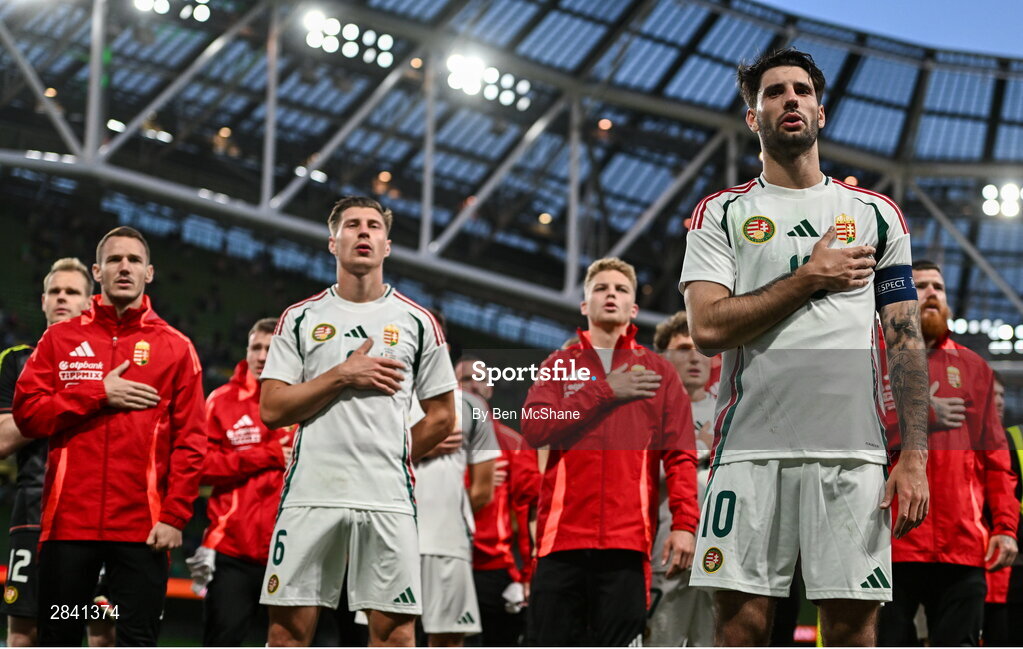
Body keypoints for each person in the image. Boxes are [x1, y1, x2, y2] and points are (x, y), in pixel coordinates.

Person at [680, 48, 930, 646]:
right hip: (747, 450)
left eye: (801, 91)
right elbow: (708, 328)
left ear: (822, 111)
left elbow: (905, 339)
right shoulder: (723, 213)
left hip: (854, 454)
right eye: (773, 92)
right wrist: (810, 277)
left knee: (849, 628)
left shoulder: (876, 214)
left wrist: (915, 455)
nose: (789, 99)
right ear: (752, 118)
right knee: (740, 626)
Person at [257, 196, 457, 647]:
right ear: (333, 243)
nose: (363, 232)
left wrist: (395, 455)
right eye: (352, 225)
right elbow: (271, 409)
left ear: (387, 246)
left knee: (395, 635)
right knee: (286, 632)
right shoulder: (300, 318)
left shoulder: (418, 321)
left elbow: (444, 415)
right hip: (311, 491)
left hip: (387, 496)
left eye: (373, 226)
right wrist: (341, 374)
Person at [13, 227, 207, 646]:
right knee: (60, 637)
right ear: (97, 272)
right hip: (68, 529)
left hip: (142, 532)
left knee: (136, 638)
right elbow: (28, 415)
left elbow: (192, 441)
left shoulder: (177, 348)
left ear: (149, 273)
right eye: (115, 260)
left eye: (134, 260)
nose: (125, 267)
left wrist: (175, 516)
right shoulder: (59, 339)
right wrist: (97, 393)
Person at [521, 257, 699, 647]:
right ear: (584, 305)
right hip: (560, 541)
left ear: (633, 308)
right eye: (600, 288)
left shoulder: (659, 371)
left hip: (628, 542)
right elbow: (535, 428)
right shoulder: (558, 366)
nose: (610, 295)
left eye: (620, 289)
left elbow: (680, 454)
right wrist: (605, 391)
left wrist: (685, 524)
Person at [877, 260, 1017, 647]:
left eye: (937, 286)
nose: (931, 293)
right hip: (889, 542)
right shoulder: (874, 362)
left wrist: (1005, 528)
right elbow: (849, 433)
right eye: (919, 286)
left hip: (961, 546)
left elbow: (997, 460)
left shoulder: (974, 368)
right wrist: (917, 415)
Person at [0, 258, 92, 646]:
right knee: (23, 634)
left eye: (72, 292)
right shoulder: (16, 360)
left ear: (90, 303)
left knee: (98, 632)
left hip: (94, 520)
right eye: (55, 291)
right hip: (32, 515)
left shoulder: (106, 360)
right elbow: (2, 440)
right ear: (41, 301)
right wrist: (74, 398)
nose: (61, 299)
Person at [194, 317, 296, 646]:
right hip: (231, 552)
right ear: (247, 351)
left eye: (272, 348)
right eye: (256, 347)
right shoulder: (221, 401)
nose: (263, 355)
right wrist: (265, 454)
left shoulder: (304, 403)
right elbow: (199, 468)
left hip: (291, 553)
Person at [455, 358, 540, 647]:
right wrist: (477, 483)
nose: (475, 385)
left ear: (491, 388)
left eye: (481, 379)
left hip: (494, 565)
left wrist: (527, 573)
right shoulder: (438, 437)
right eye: (466, 378)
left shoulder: (513, 443)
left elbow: (526, 509)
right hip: (448, 556)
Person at [648, 312, 715, 646]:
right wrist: (698, 450)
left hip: (720, 554)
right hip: (664, 550)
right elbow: (640, 475)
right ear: (663, 357)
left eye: (701, 349)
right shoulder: (646, 410)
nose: (694, 357)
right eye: (683, 348)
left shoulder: (730, 410)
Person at [414, 385, 499, 647]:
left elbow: (483, 490)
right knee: (385, 633)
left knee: (449, 637)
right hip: (390, 533)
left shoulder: (472, 406)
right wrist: (418, 443)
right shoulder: (387, 397)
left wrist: (450, 518)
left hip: (447, 540)